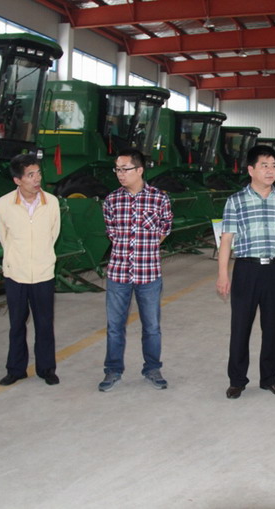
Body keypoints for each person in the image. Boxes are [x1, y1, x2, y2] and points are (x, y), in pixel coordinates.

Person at [217, 145, 275, 400]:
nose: (270, 170)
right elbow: (226, 239)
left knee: (272, 327)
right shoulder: (236, 200)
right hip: (246, 269)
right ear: (251, 170)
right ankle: (237, 380)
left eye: (273, 166)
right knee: (240, 326)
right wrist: (223, 274)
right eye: (264, 165)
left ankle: (270, 379)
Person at [98, 149, 173, 392]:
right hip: (118, 273)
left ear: (139, 170)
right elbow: (111, 233)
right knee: (114, 327)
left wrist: (145, 248)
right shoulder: (111, 200)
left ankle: (152, 368)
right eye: (117, 170)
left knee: (151, 327)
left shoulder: (159, 198)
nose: (120, 174)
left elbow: (165, 229)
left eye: (125, 169)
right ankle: (113, 370)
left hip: (148, 273)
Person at [0, 154, 61, 386]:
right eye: (30, 175)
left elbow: (53, 234)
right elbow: (4, 237)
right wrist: (15, 261)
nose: (37, 179)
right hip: (16, 274)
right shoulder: (4, 204)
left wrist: (43, 258)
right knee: (16, 325)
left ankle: (46, 369)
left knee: (45, 324)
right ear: (17, 180)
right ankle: (16, 369)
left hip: (43, 273)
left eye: (38, 173)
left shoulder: (51, 202)